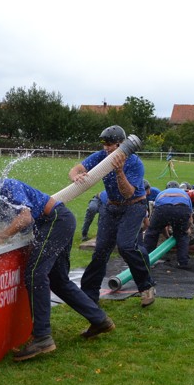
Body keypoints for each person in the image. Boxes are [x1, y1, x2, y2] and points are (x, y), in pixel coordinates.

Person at [0, 167, 114, 362]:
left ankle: (42, 337)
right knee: (59, 281)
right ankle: (100, 320)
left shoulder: (6, 186)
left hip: (56, 221)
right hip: (58, 224)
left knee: (34, 274)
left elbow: (25, 217)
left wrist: (2, 235)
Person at [68, 125, 156, 307]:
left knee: (126, 246)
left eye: (111, 145)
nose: (107, 148)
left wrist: (119, 171)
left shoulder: (135, 163)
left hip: (134, 205)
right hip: (111, 207)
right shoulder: (101, 157)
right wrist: (76, 176)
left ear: (121, 144)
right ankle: (88, 295)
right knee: (100, 250)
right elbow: (75, 169)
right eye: (105, 144)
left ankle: (146, 287)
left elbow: (127, 193)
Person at [143, 186, 193, 269]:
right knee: (182, 236)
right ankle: (183, 262)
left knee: (152, 233)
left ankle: (147, 261)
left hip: (163, 209)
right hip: (181, 209)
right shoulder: (185, 194)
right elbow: (190, 216)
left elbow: (160, 220)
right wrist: (187, 228)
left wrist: (166, 235)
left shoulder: (161, 193)